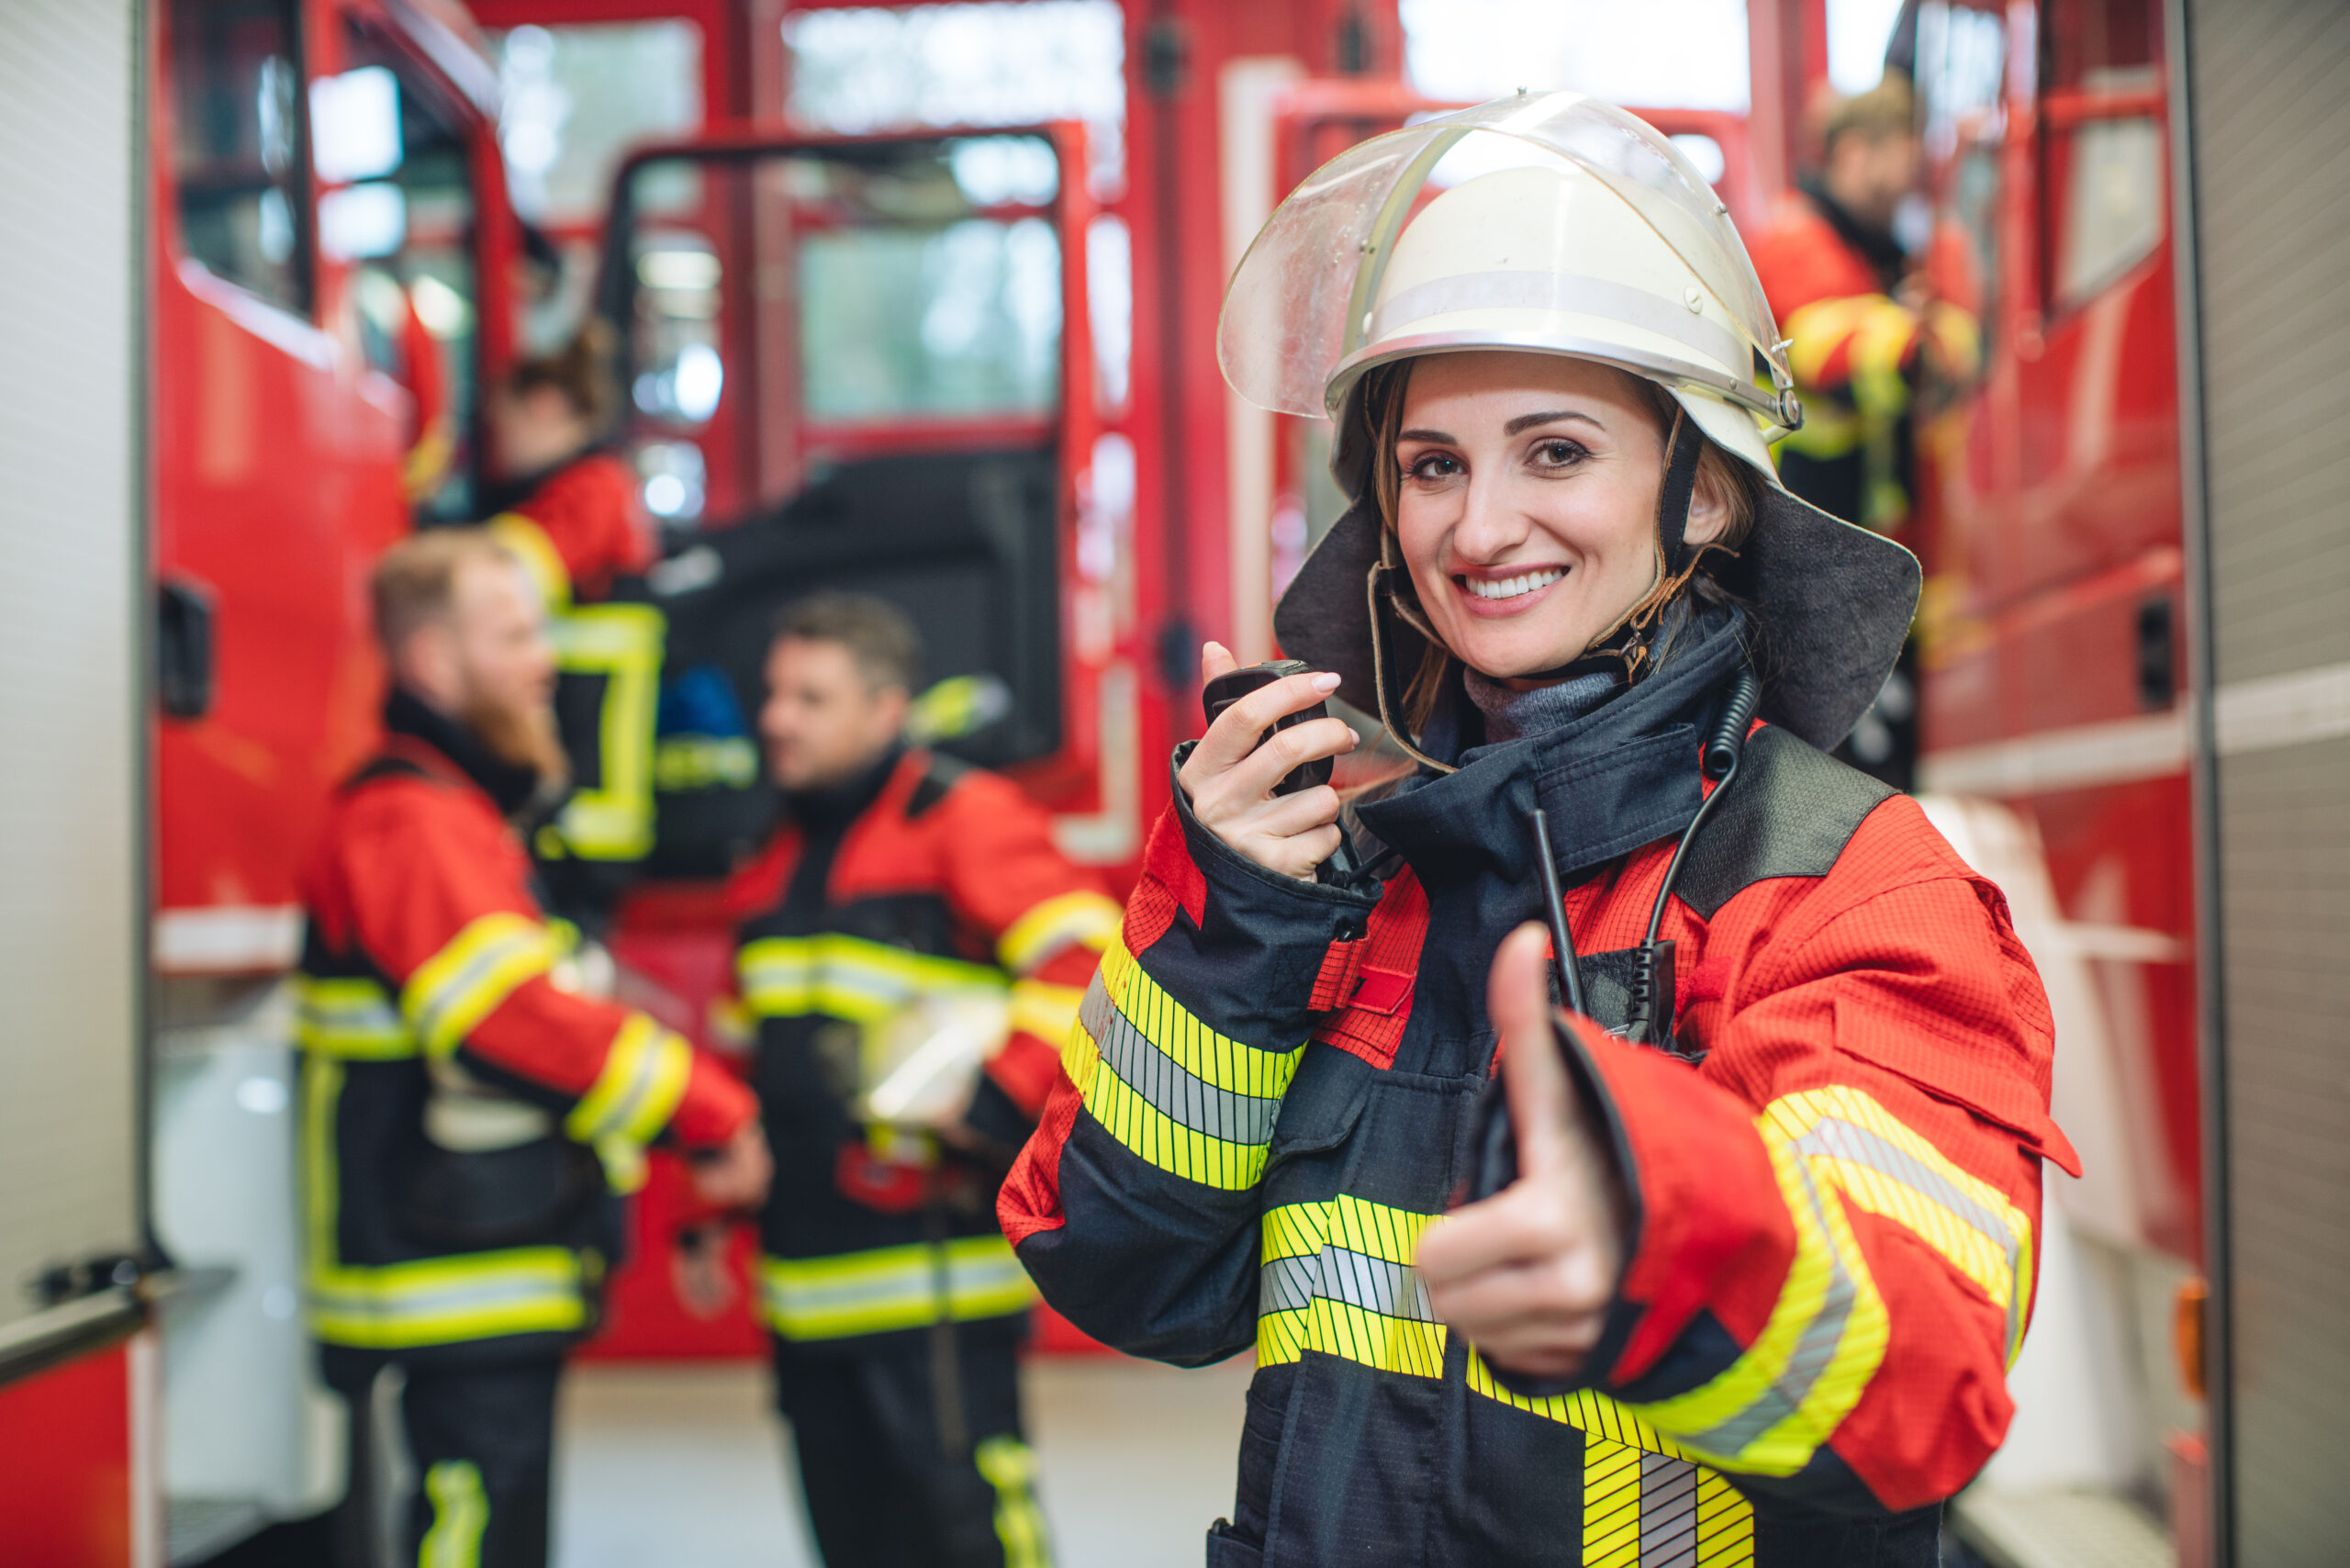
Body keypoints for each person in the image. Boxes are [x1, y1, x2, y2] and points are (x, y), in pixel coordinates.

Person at [1000, 95, 2075, 1567]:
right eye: (1433, 463)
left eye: (1555, 452)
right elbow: (1125, 1280)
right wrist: (1235, 933)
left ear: (1701, 491)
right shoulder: (1335, 868)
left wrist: (1664, 1222)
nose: (1479, 528)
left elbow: (1920, 1384)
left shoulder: (1843, 886)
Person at [297, 529, 769, 1568]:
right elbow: (507, 1016)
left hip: (477, 1251)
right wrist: (707, 1108)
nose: (543, 660)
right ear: (432, 662)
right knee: (473, 1533)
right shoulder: (411, 818)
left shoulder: (457, 811)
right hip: (444, 1270)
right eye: (513, 635)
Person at [724, 591, 1119, 1568]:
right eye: (775, 694)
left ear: (884, 711)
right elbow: (755, 1045)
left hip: (932, 1273)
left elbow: (1097, 964)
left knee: (972, 1533)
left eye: (810, 698)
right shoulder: (769, 854)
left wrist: (993, 1098)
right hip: (806, 1284)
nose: (776, 718)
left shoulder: (963, 818)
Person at [1748, 76, 1981, 787]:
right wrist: (1910, 330)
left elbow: (1962, 347)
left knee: (1882, 764)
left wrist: (1917, 328)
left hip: (1877, 540)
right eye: (1901, 151)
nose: (1913, 172)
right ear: (1853, 152)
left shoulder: (1888, 250)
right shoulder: (1796, 239)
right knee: (1837, 762)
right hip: (1810, 537)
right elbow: (1840, 352)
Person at [482, 326, 666, 890]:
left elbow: (506, 581)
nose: (499, 447)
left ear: (545, 407)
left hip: (588, 807)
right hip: (585, 785)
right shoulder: (595, 485)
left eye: (504, 426)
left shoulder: (592, 489)